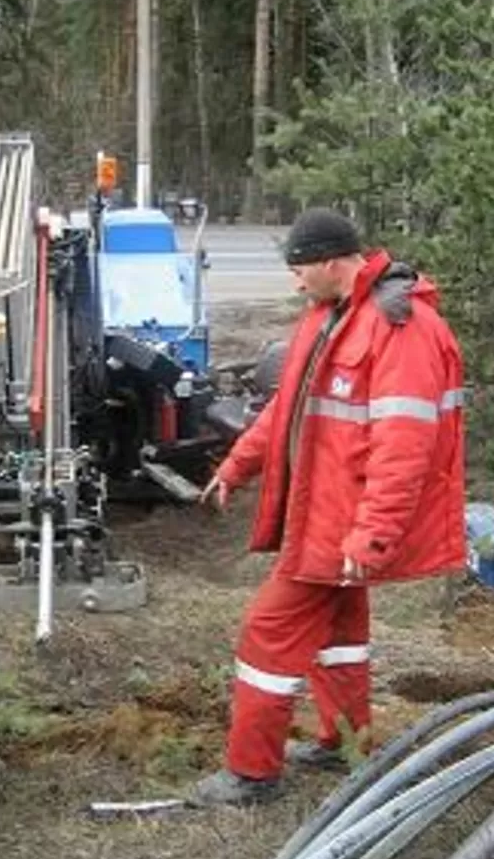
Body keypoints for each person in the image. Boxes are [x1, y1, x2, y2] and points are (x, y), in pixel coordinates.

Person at [191, 208, 466, 807]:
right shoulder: (329, 317)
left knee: (267, 635)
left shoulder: (400, 327)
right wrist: (237, 465)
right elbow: (284, 411)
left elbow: (404, 447)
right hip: (322, 520)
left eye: (299, 269)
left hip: (340, 527)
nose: (295, 282)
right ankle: (344, 744)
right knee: (340, 634)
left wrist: (371, 537)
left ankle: (251, 774)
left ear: (332, 262)